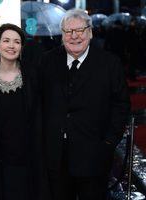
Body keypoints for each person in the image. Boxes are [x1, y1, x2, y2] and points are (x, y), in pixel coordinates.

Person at [39, 8, 131, 200]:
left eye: (79, 30)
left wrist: (108, 142)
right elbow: (37, 101)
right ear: (62, 34)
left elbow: (121, 105)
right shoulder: (47, 61)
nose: (74, 36)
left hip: (94, 156)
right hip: (55, 157)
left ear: (90, 32)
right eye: (68, 31)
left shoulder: (109, 63)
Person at [0, 23, 41, 200]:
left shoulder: (33, 75)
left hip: (31, 155)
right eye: (6, 40)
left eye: (17, 42)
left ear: (21, 47)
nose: (11, 45)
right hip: (1, 157)